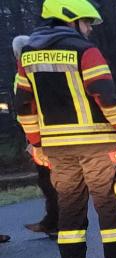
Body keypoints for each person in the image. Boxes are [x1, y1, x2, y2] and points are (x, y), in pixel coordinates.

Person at [14, 0, 116, 258]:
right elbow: (106, 97)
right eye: (87, 22)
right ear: (71, 20)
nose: (90, 29)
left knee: (69, 206)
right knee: (109, 203)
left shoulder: (27, 55)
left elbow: (23, 106)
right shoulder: (85, 50)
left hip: (57, 148)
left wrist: (37, 143)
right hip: (97, 144)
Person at [12, 35, 57, 238]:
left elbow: (25, 107)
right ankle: (54, 220)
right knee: (52, 179)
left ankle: (55, 222)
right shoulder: (47, 68)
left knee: (48, 180)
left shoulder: (25, 73)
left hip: (41, 134)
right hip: (53, 131)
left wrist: (33, 141)